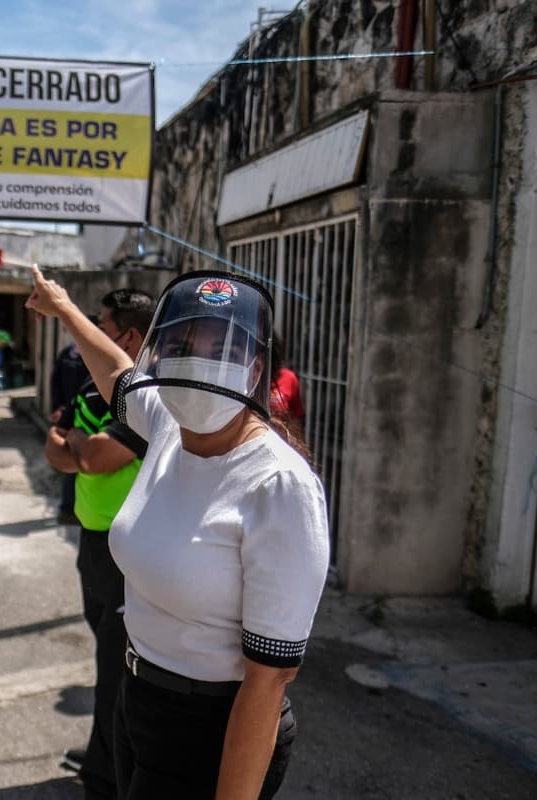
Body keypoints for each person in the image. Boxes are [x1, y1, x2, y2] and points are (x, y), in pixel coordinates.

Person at [27, 268, 330, 800]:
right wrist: (65, 310)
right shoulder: (169, 425)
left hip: (210, 726)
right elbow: (116, 370)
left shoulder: (280, 486)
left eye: (221, 348)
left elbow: (268, 680)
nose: (200, 361)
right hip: (138, 697)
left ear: (255, 366)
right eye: (184, 343)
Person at [44, 289, 153, 800]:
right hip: (93, 543)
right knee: (108, 662)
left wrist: (79, 447)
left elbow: (97, 456)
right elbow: (59, 451)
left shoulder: (144, 392)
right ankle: (106, 758)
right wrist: (75, 448)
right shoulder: (93, 388)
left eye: (101, 326)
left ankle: (108, 778)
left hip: (129, 553)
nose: (92, 334)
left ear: (128, 336)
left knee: (118, 671)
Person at [49, 323, 94, 525]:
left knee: (72, 461)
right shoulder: (93, 355)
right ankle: (69, 509)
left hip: (68, 412)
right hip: (81, 414)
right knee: (77, 463)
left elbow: (54, 380)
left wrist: (57, 407)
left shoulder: (68, 352)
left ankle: (69, 509)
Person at [268, 334, 306, 447]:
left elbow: (296, 419)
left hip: (281, 444)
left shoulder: (289, 379)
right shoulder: (248, 379)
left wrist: (298, 447)